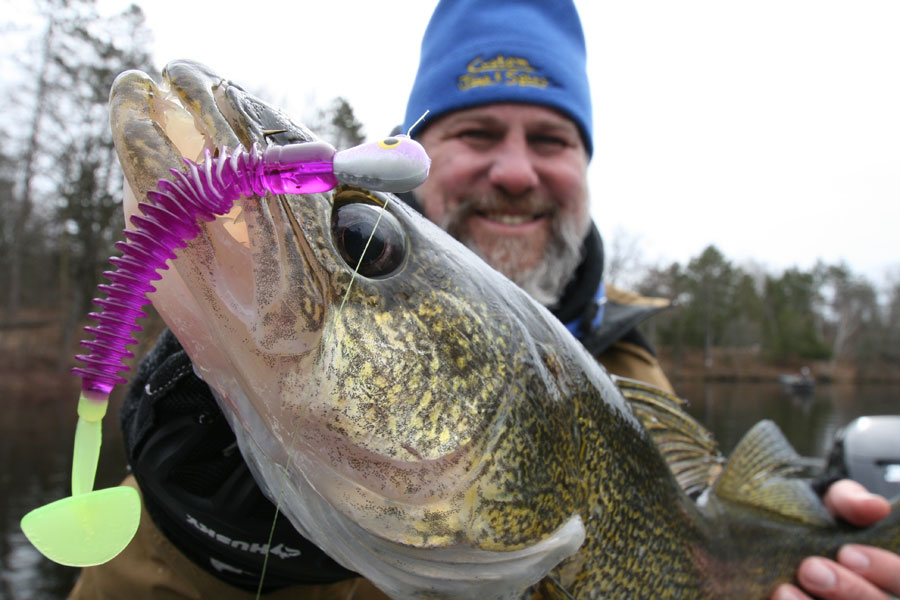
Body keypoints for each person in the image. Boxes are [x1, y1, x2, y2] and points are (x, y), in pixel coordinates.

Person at [70, 0, 899, 599]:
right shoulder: (213, 420)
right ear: (414, 153)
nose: (514, 171)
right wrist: (196, 544)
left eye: (549, 138)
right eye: (475, 133)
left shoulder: (647, 402)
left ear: (583, 166)